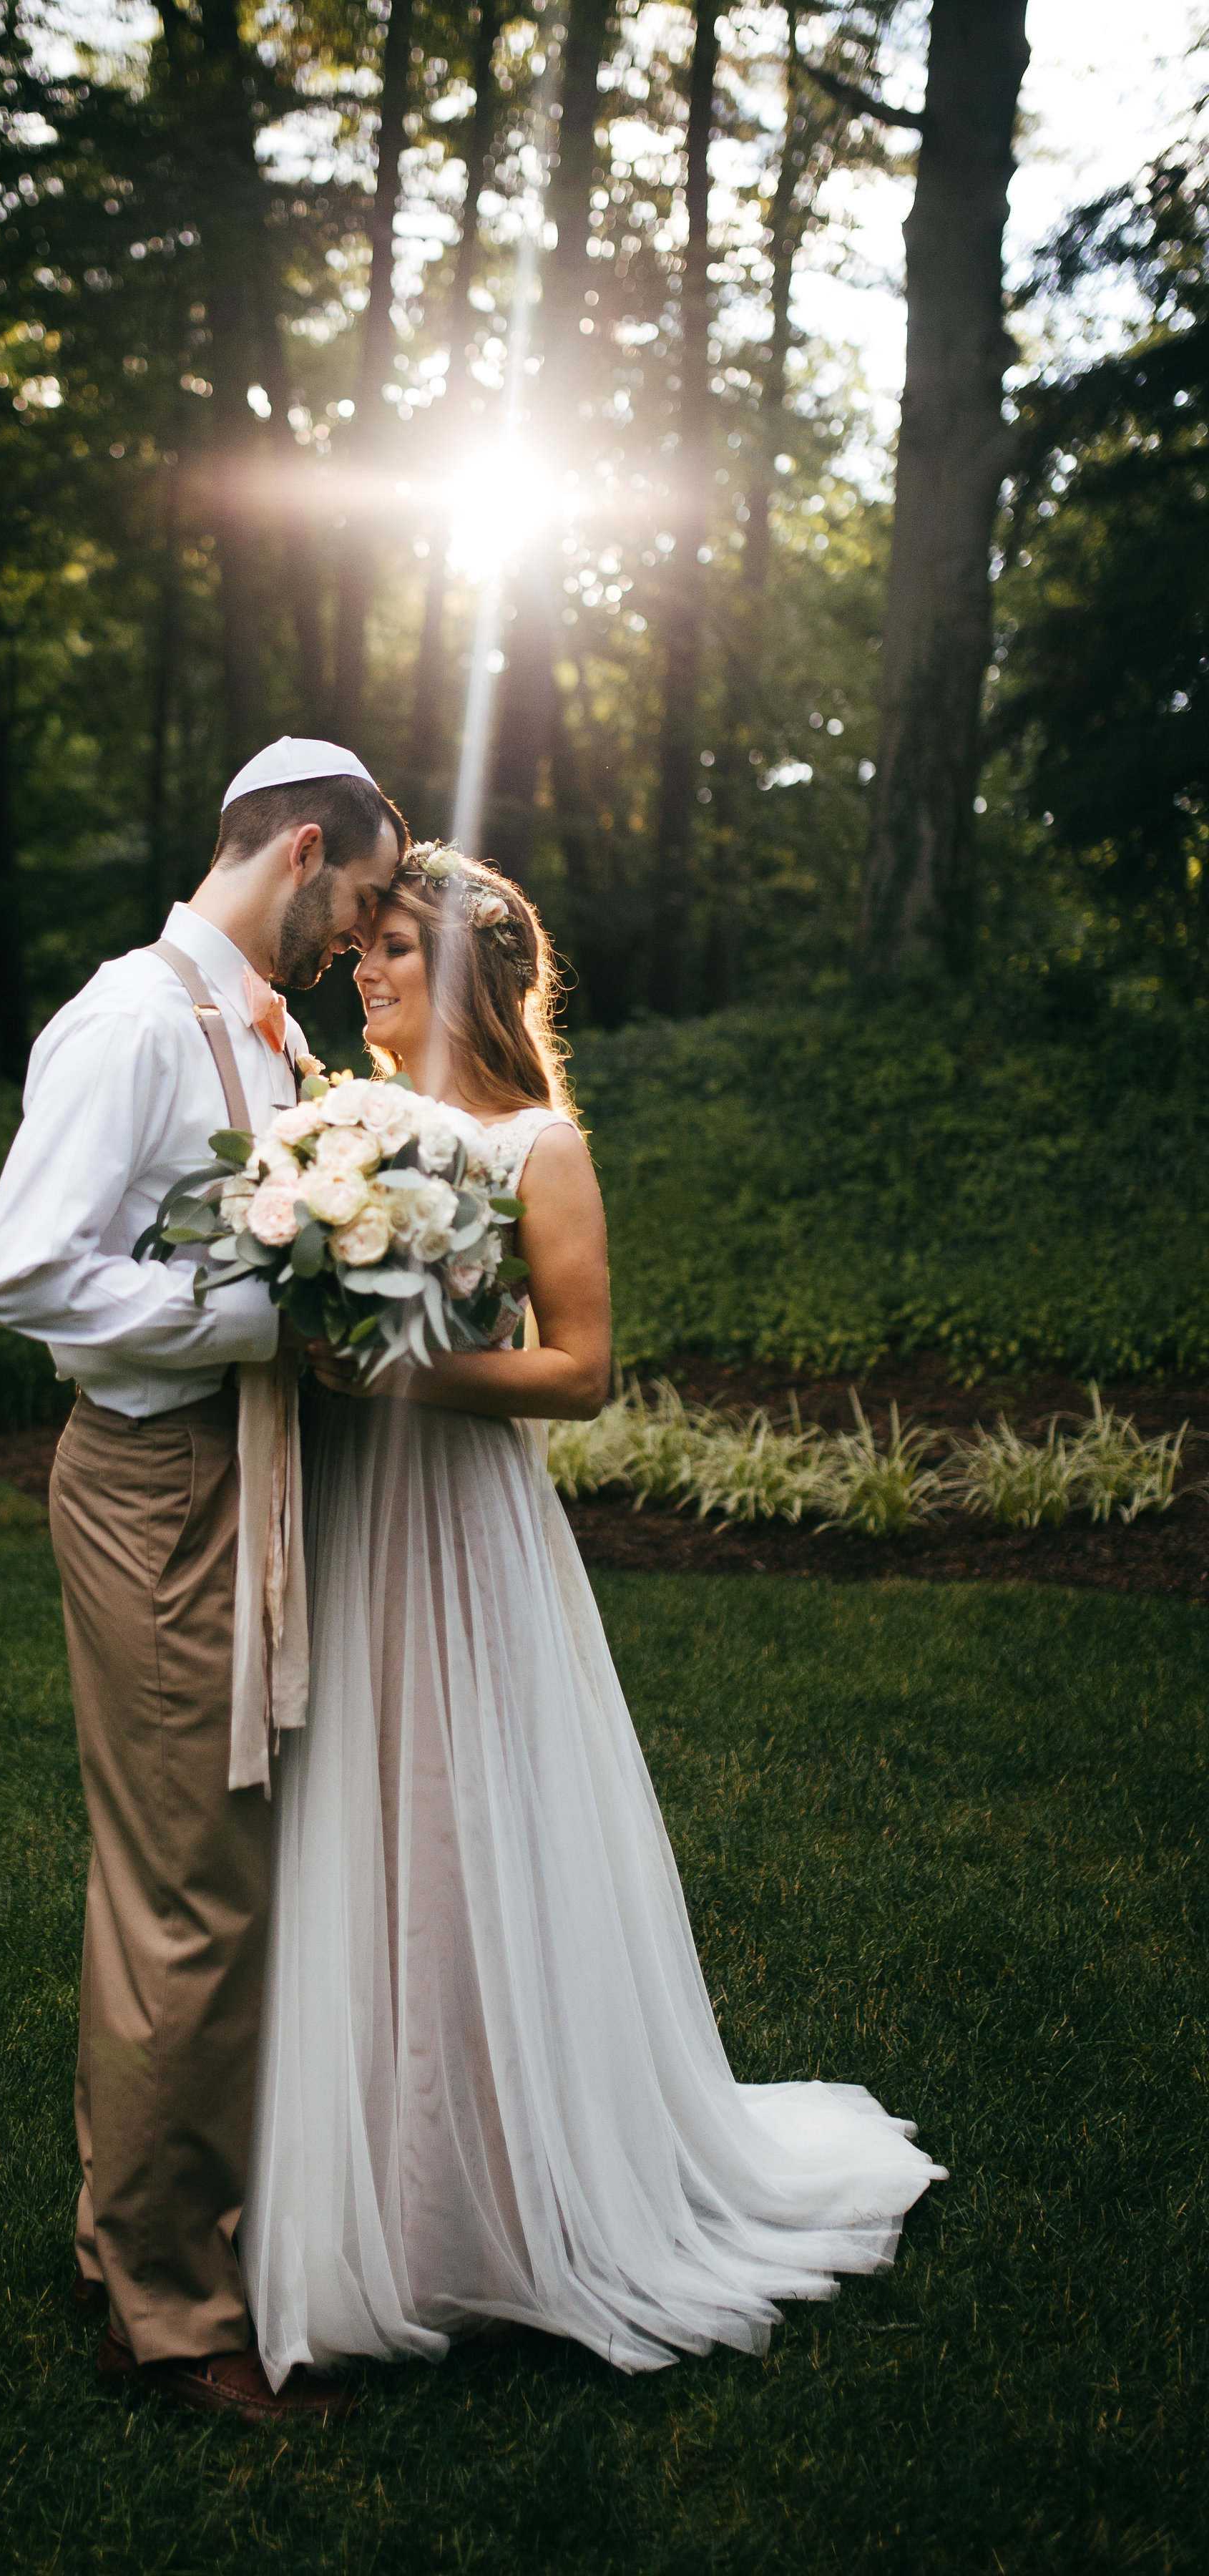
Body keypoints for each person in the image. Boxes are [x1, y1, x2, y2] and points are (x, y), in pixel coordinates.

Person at [241, 847, 945, 2384]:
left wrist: (415, 1372)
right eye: (362, 951)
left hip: (468, 1528)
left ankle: (504, 2190)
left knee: (472, 1825)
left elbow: (580, 1372)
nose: (367, 974)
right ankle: (363, 2177)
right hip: (358, 1510)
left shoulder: (536, 1148)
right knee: (352, 1822)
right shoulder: (336, 1127)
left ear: (476, 974)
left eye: (398, 954)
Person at [0, 738, 405, 2424]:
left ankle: (139, 2236)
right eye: (360, 904)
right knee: (195, 1893)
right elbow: (27, 1271)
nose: (355, 942)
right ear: (304, 852)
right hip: (160, 1490)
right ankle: (165, 2317)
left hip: (256, 1473)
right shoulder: (136, 1025)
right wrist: (258, 1324)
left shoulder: (268, 1031)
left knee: (206, 1876)